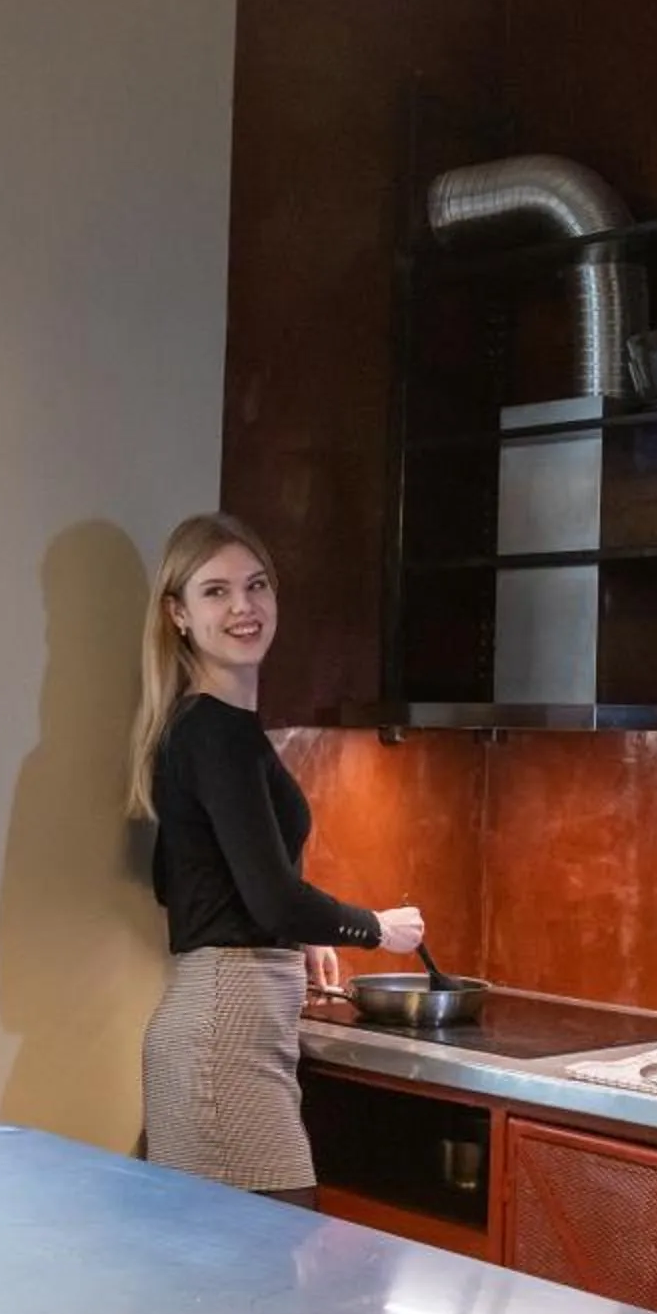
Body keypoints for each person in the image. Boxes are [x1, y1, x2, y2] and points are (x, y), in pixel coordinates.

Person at [125, 514, 422, 1202]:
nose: (243, 608)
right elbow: (270, 899)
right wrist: (374, 927)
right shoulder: (217, 735)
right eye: (217, 592)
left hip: (220, 1024)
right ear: (179, 614)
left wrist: (291, 938)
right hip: (224, 1038)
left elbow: (179, 882)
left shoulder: (202, 728)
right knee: (265, 1272)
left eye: (256, 586)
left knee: (236, 1278)